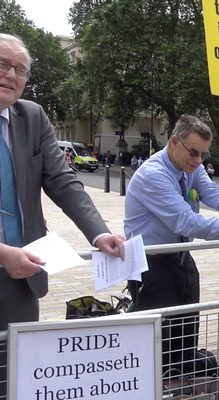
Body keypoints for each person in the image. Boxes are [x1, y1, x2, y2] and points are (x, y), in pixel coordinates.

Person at [0, 33, 125, 396]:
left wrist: (99, 234)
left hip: (22, 275)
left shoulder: (32, 116)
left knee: (13, 377)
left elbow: (64, 182)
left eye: (20, 70)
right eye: (3, 64)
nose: (10, 74)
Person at [125, 115, 219, 371]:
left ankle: (182, 379)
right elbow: (186, 222)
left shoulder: (191, 165)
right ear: (174, 142)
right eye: (194, 153)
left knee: (187, 331)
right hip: (150, 263)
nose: (198, 160)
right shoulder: (153, 175)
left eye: (203, 155)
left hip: (179, 255)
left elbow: (211, 193)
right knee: (160, 339)